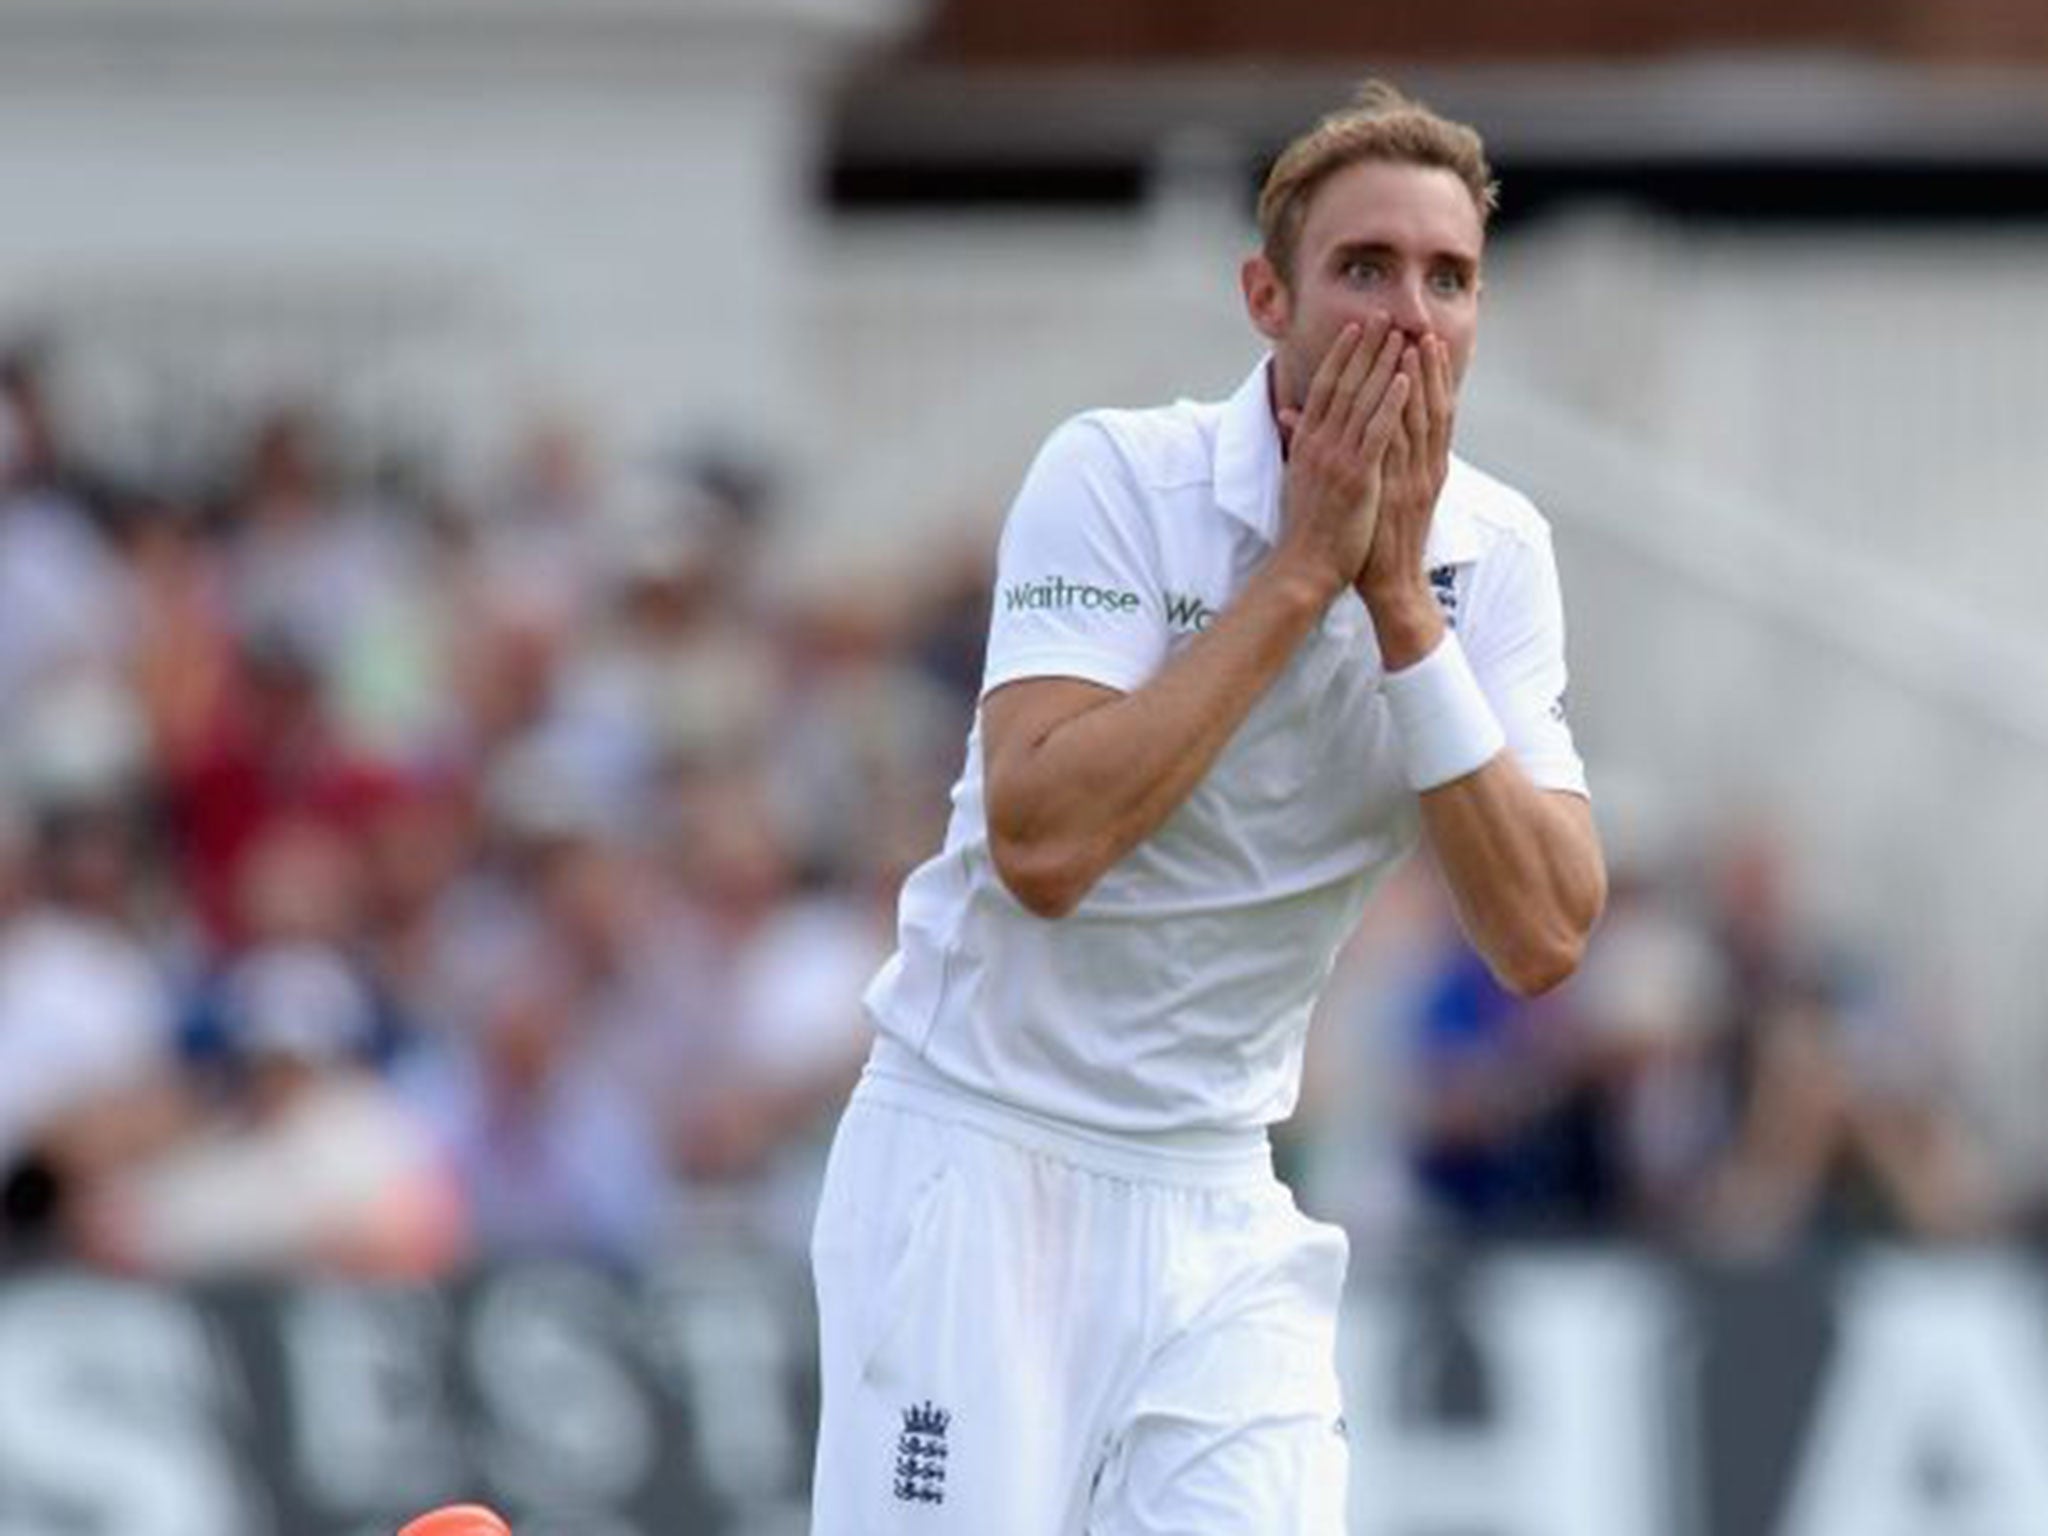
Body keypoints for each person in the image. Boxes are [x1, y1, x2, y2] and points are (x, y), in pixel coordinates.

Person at [808, 80, 1606, 1535]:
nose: (1410, 318)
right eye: (1364, 268)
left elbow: (1545, 931)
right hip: (981, 1154)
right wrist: (1303, 573)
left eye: (1450, 279)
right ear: (1266, 298)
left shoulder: (1492, 556)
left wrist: (1400, 611)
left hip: (1222, 1196)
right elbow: (1044, 846)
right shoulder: (1117, 476)